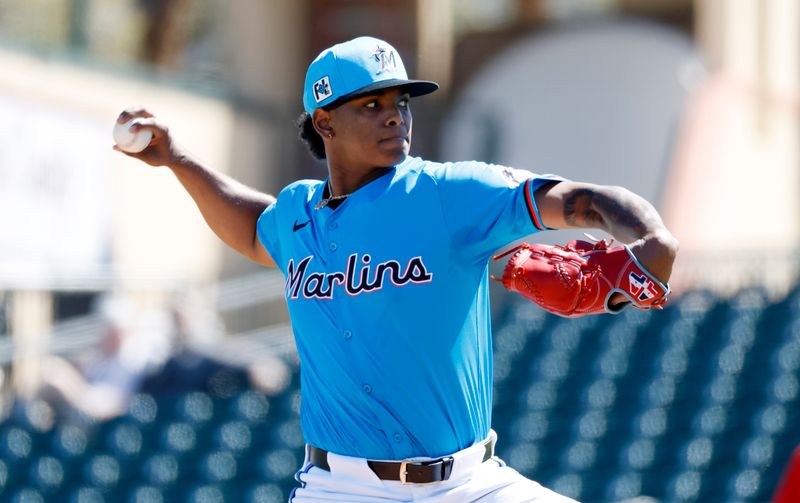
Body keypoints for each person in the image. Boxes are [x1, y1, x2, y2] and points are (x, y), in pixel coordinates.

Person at [116, 36, 678, 503]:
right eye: (371, 104)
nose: (394, 116)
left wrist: (648, 234)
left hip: (468, 484)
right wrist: (177, 159)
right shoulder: (295, 216)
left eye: (401, 103)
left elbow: (581, 199)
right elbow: (248, 224)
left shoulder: (450, 192)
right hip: (340, 489)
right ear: (325, 121)